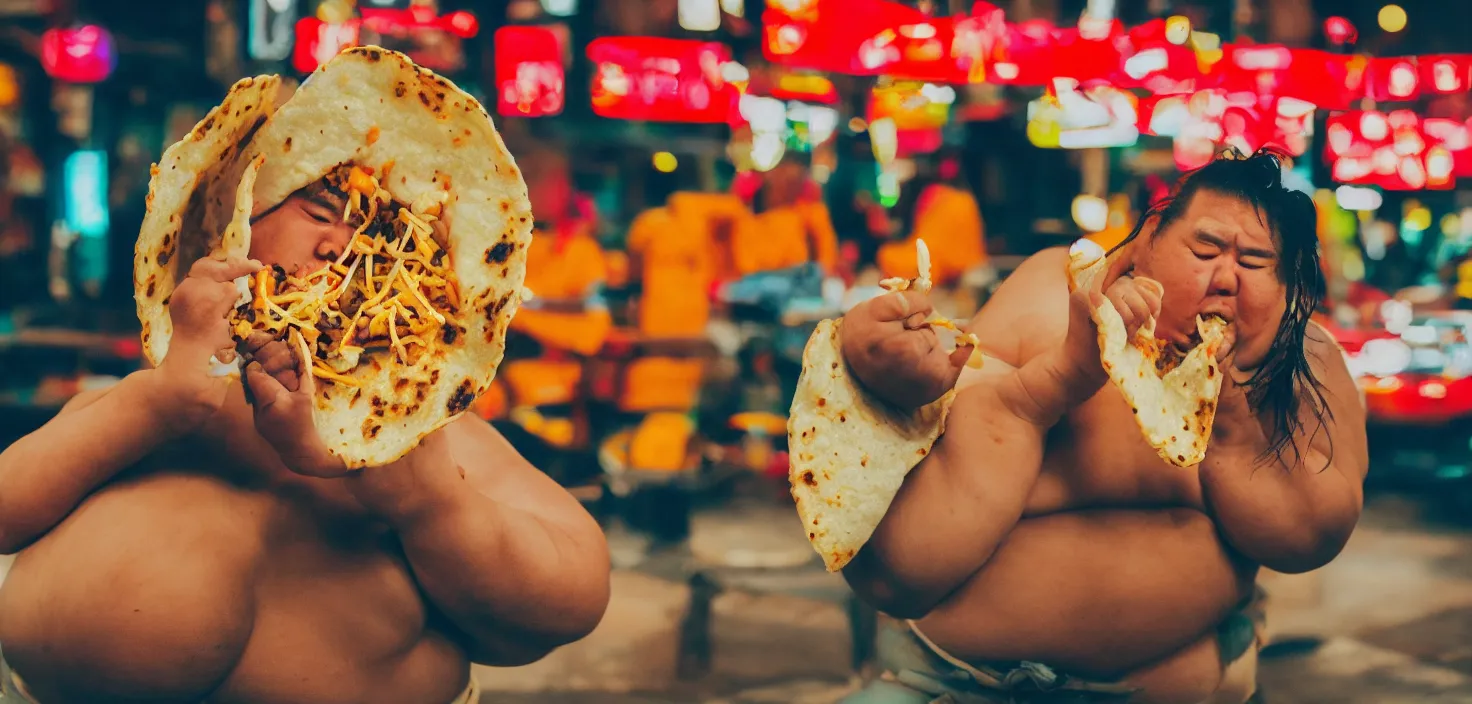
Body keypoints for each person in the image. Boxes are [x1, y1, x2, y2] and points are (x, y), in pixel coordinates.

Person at [0, 176, 612, 703]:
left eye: (388, 243)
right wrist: (156, 403)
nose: (341, 245)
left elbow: (573, 598)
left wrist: (428, 501)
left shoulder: (433, 441)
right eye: (318, 211)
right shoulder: (143, 404)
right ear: (228, 227)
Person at [837, 149, 1367, 703]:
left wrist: (1233, 415)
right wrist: (1049, 380)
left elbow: (1312, 536)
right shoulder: (1052, 295)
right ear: (1151, 239)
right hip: (960, 685)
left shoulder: (1300, 364)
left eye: (1256, 263)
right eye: (1205, 249)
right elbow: (899, 558)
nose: (1226, 278)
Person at [872, 154, 988, 289]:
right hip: (968, 265)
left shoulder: (940, 195)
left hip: (947, 263)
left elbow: (930, 246)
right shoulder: (964, 198)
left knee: (889, 256)